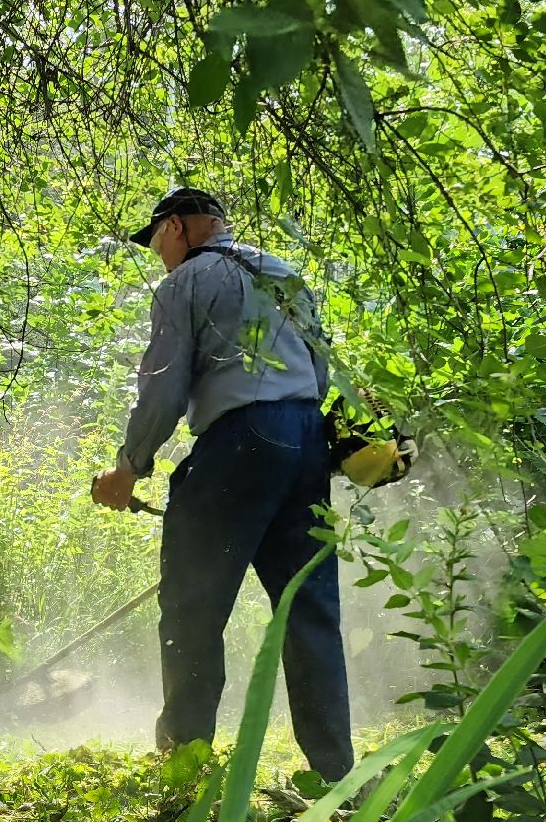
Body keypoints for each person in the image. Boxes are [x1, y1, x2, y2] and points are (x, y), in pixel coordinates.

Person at [91, 186, 354, 782]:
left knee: (193, 605)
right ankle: (334, 775)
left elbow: (162, 387)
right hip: (307, 439)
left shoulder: (183, 283)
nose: (158, 252)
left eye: (156, 238)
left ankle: (185, 760)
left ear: (180, 228)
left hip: (241, 440)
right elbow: (321, 369)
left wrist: (128, 467)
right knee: (309, 611)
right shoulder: (284, 273)